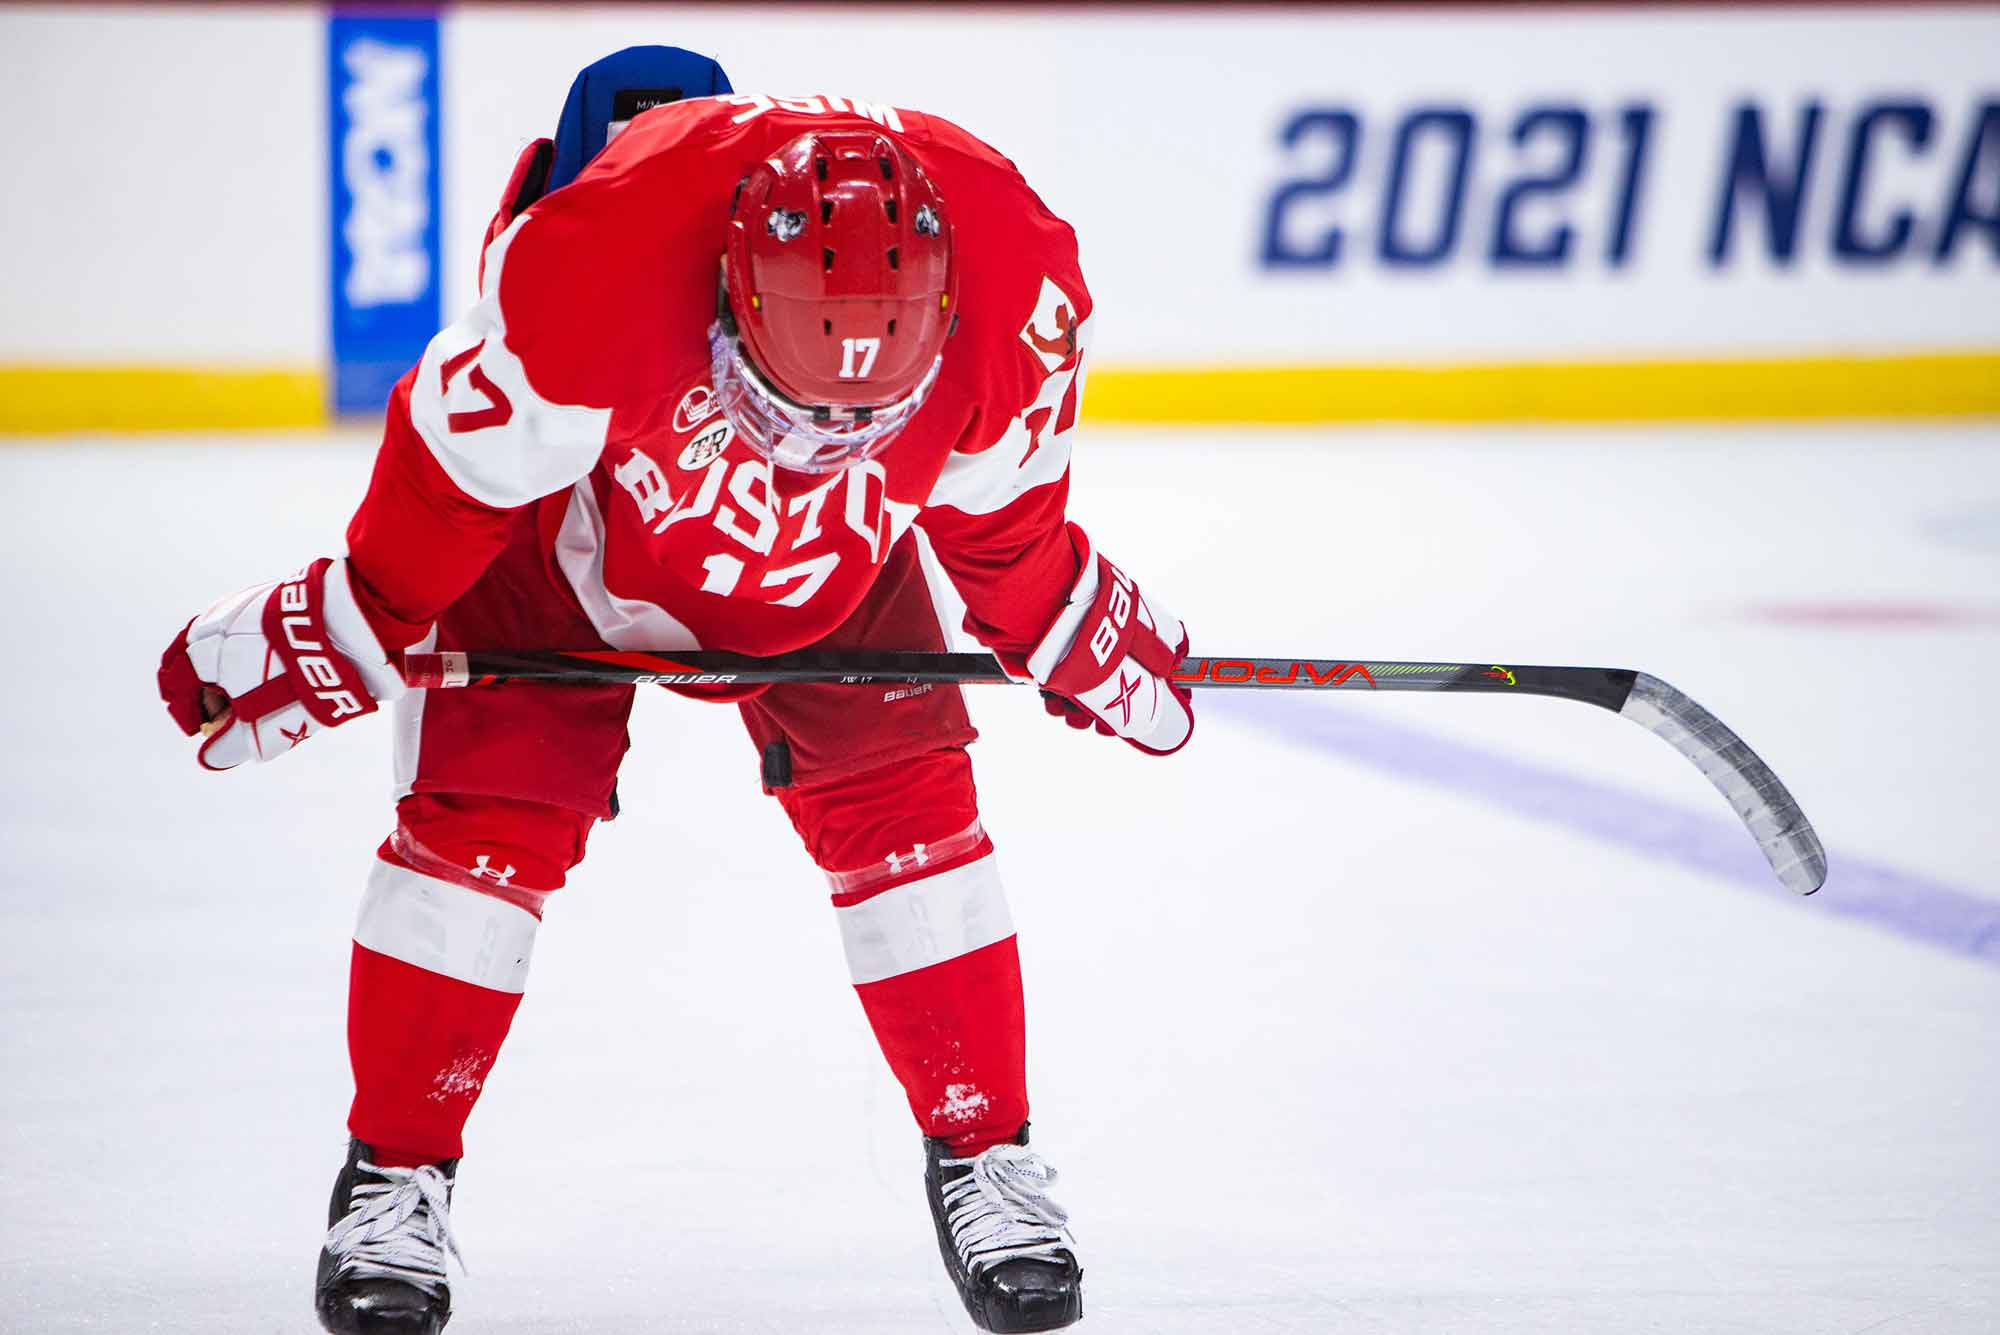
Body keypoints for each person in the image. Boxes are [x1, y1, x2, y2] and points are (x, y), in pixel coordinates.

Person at [156, 48, 1193, 1335]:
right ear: (723, 301)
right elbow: (448, 482)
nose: (813, 454)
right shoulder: (586, 273)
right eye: (784, 410)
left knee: (914, 817)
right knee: (482, 833)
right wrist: (348, 616)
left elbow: (1005, 527)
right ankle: (395, 1176)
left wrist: (1068, 615)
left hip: (837, 574)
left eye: (858, 426)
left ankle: (984, 1155)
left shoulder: (1014, 281)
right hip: (560, 544)